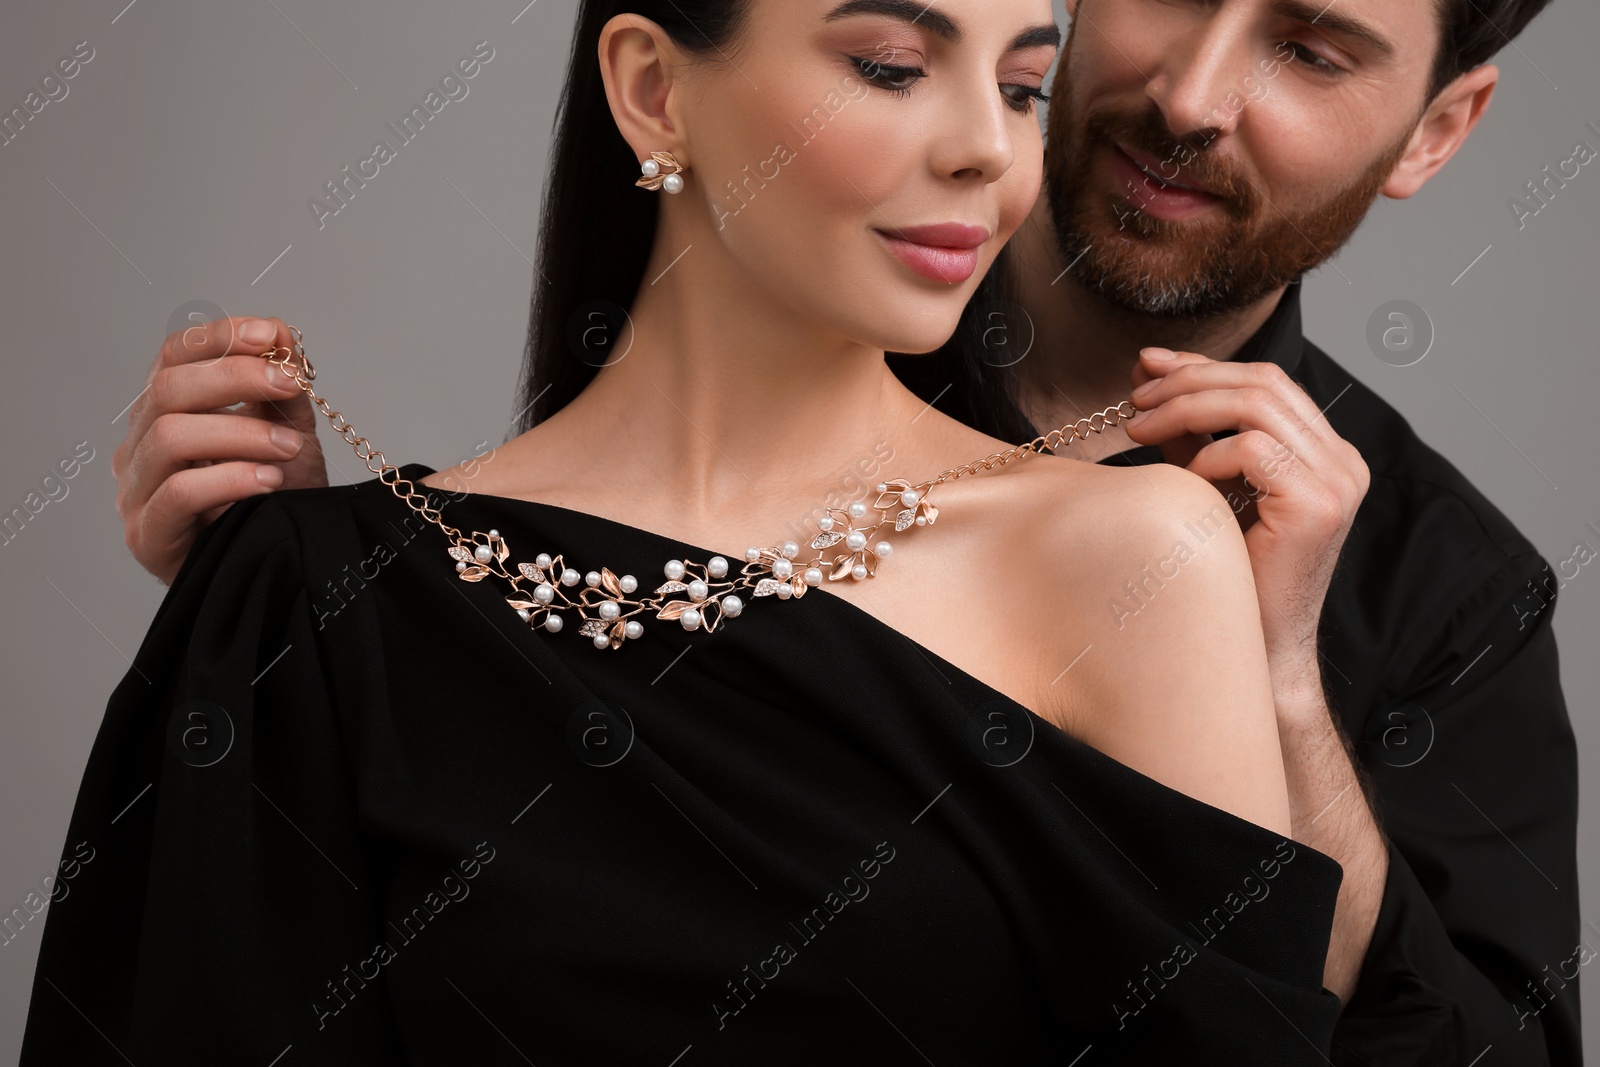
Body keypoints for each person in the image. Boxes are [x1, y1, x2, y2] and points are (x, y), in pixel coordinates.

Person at [25, 0, 1352, 1063]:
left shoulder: (1137, 558)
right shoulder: (328, 603)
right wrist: (279, 612)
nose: (988, 154)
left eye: (1020, 86)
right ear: (654, 89)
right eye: (892, 65)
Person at [902, 0, 1580, 1062]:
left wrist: (1280, 689)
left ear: (1433, 132)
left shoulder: (1451, 588)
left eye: (1308, 53)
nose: (1187, 97)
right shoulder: (783, 338)